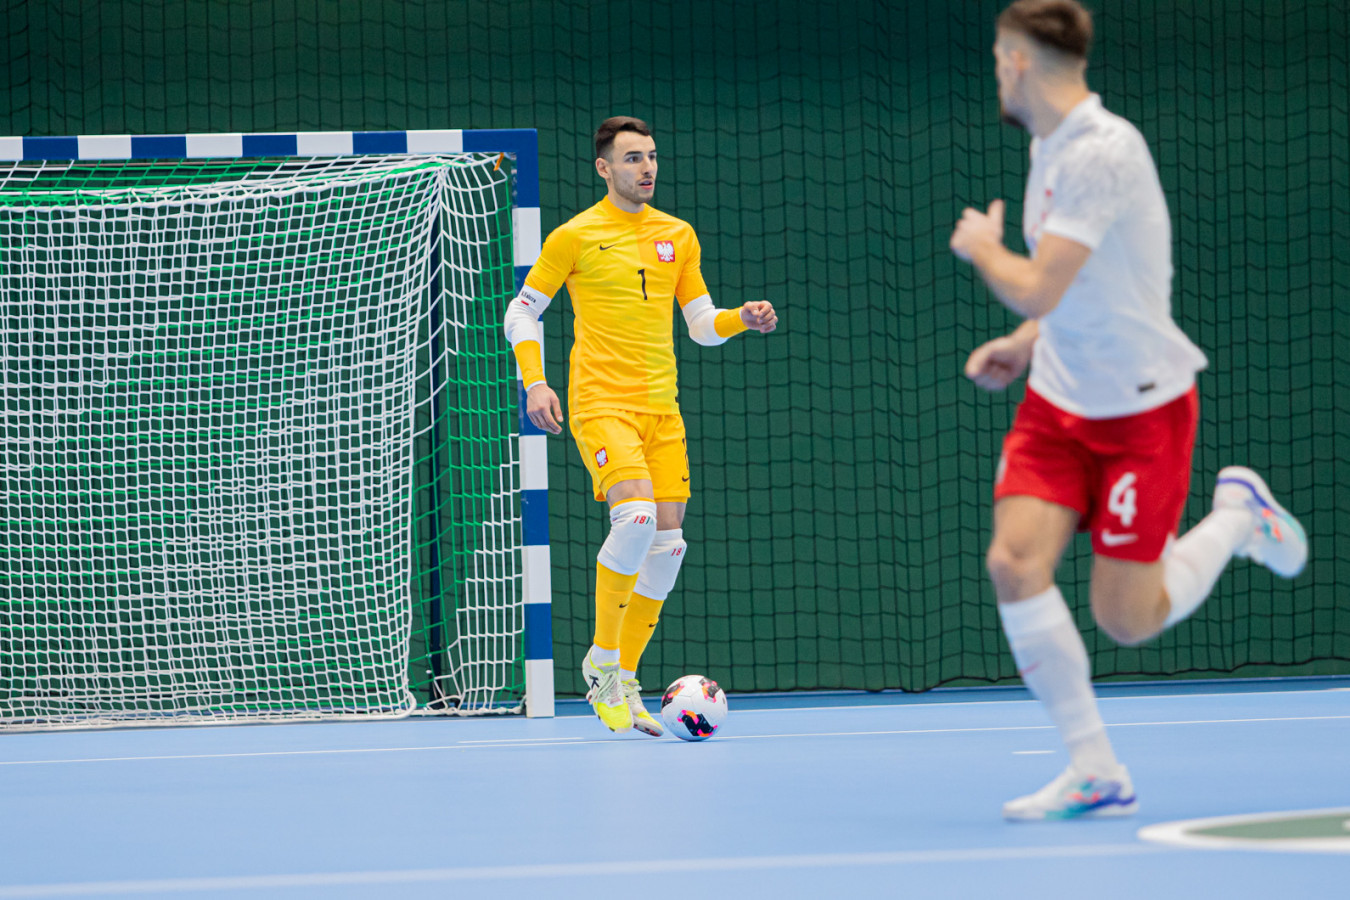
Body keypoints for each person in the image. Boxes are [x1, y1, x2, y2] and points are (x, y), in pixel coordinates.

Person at [950, 0, 1307, 820]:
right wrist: (1025, 343)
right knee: (1013, 564)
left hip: (1142, 411)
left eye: (999, 59)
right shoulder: (1047, 146)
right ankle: (1095, 768)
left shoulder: (1103, 152)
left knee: (1128, 620)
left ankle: (1238, 519)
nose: (996, 73)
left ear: (1018, 62)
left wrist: (982, 248)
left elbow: (1038, 282)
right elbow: (1073, 288)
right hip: (1057, 403)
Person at [503, 116, 778, 735]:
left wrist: (741, 318)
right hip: (601, 401)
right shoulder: (575, 236)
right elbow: (521, 313)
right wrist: (535, 381)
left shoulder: (677, 234)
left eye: (651, 156)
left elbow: (701, 325)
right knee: (635, 517)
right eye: (632, 158)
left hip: (662, 409)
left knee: (670, 544)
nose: (646, 167)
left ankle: (624, 674)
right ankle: (601, 662)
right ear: (604, 168)